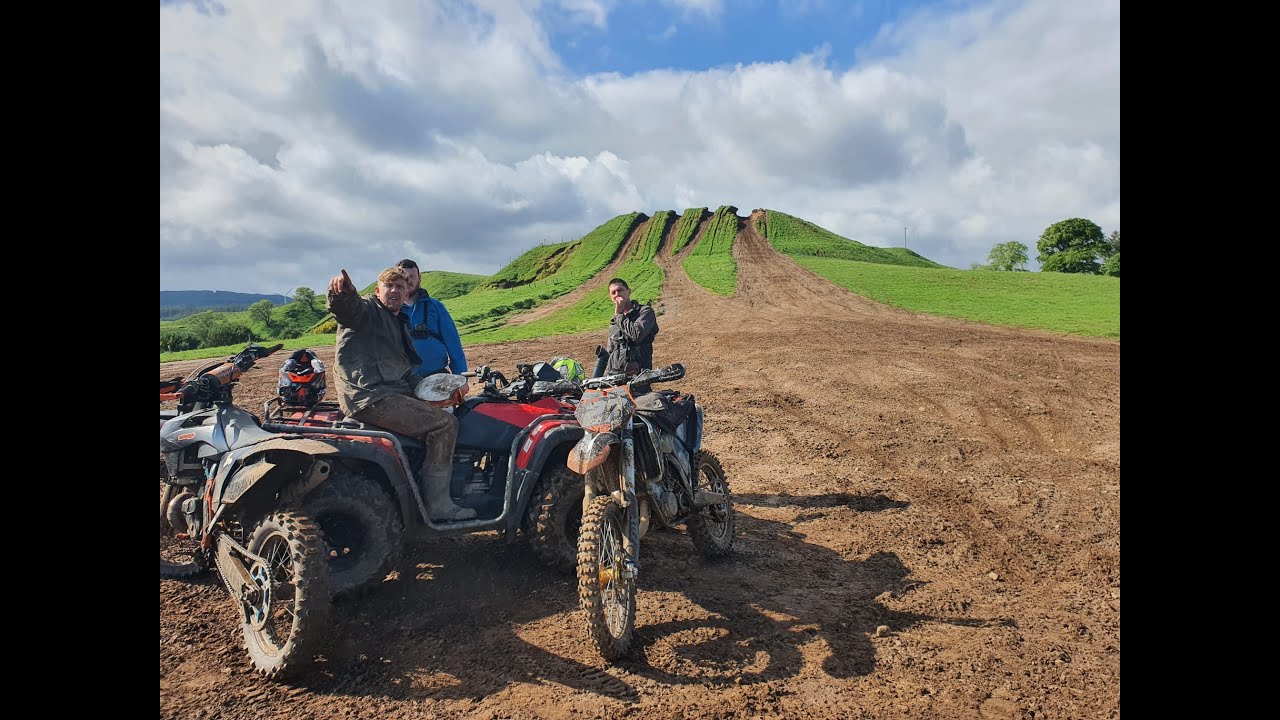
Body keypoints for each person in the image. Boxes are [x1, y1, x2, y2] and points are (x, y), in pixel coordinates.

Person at [327, 266, 475, 521]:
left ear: (407, 293)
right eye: (389, 286)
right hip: (371, 396)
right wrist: (343, 294)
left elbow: (404, 372)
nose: (394, 291)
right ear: (378, 290)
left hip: (387, 392)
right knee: (445, 425)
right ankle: (438, 504)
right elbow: (349, 310)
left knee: (449, 411)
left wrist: (440, 388)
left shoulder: (398, 322)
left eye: (400, 287)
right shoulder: (369, 312)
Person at [395, 259, 467, 378]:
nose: (408, 280)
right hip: (400, 380)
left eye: (412, 276)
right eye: (403, 276)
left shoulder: (436, 307)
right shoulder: (389, 310)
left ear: (419, 278)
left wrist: (461, 377)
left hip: (436, 377)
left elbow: (454, 346)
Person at [596, 277, 658, 378]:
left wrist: (619, 315)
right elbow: (611, 350)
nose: (617, 294)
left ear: (629, 291)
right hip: (615, 376)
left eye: (620, 290)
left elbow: (637, 335)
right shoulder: (614, 320)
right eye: (613, 293)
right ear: (611, 298)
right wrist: (606, 377)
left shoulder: (645, 312)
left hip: (639, 376)